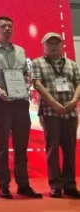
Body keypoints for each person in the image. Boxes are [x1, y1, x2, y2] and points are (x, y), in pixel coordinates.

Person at [0, 17, 42, 199]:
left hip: (21, 102)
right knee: (1, 145)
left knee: (21, 145)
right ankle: (3, 184)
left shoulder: (20, 51)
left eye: (10, 26)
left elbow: (24, 74)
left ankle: (23, 184)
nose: (7, 28)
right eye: (3, 26)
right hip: (1, 102)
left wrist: (26, 83)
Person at [32, 32, 80, 198]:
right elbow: (37, 85)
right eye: (50, 44)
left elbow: (78, 83)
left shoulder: (71, 64)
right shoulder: (37, 63)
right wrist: (55, 104)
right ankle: (55, 185)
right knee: (52, 150)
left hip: (71, 112)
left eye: (57, 43)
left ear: (61, 45)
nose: (54, 46)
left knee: (70, 150)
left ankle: (70, 185)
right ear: (44, 46)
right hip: (50, 112)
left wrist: (74, 101)